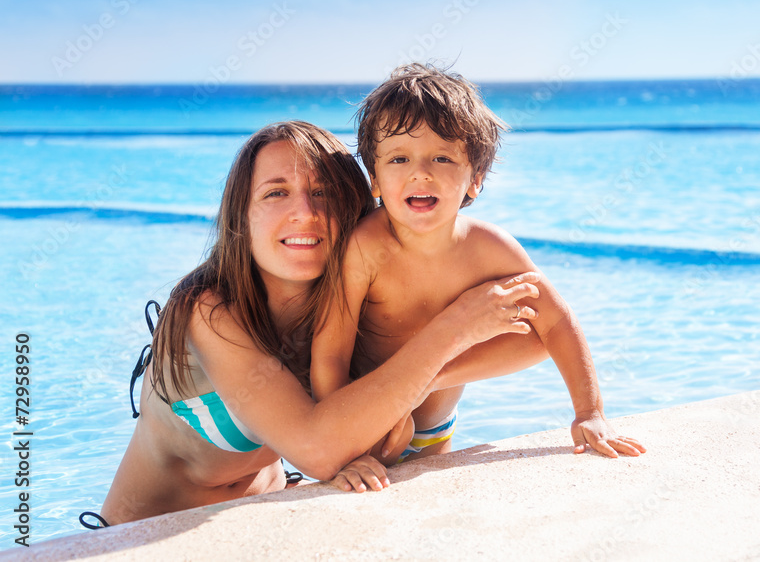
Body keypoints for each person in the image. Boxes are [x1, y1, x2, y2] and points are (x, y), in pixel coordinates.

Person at [98, 120, 545, 524]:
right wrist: (454, 329)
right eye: (276, 192)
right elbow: (317, 450)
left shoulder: (358, 308)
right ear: (242, 215)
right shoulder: (208, 310)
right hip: (148, 539)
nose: (305, 213)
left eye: (323, 193)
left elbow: (403, 446)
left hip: (275, 522)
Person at [311, 64, 646, 473]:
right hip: (373, 422)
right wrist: (347, 447)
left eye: (442, 157)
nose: (421, 172)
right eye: (399, 158)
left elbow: (558, 324)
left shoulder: (488, 249)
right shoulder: (365, 248)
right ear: (375, 180)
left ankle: (432, 378)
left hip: (436, 422)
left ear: (476, 178)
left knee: (537, 327)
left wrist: (589, 412)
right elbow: (329, 357)